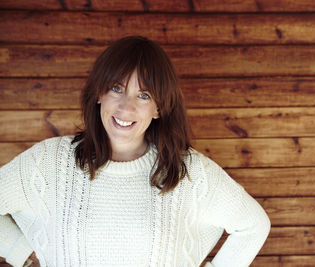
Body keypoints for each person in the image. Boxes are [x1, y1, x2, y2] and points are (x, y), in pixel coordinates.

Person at [0, 36, 270, 267]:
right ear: (98, 94)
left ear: (159, 108)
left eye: (144, 95)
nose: (126, 108)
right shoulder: (49, 162)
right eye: (117, 89)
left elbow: (254, 225)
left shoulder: (189, 172)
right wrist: (21, 253)